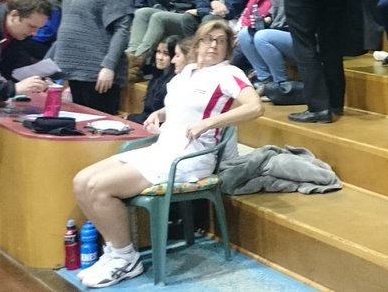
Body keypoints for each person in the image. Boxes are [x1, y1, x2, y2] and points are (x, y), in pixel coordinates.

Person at [72, 21, 262, 289]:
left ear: (228, 48)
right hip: (161, 150)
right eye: (208, 39)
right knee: (82, 181)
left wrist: (210, 123)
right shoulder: (186, 73)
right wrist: (158, 114)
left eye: (221, 41)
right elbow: (179, 106)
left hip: (189, 159)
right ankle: (114, 252)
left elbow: (255, 108)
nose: (214, 45)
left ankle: (127, 260)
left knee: (100, 188)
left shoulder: (228, 73)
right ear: (197, 44)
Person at [49, 0, 133, 115]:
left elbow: (122, 30)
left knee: (98, 131)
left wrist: (109, 66)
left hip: (98, 72)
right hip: (73, 68)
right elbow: (68, 26)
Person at [235, 0, 292, 95]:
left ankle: (281, 83)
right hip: (275, 30)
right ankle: (265, 80)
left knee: (261, 36)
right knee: (244, 35)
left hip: (293, 32)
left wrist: (266, 21)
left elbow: (283, 16)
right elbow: (250, 12)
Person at [128, 36, 182, 125]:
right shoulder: (156, 77)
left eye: (166, 54)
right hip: (146, 121)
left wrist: (131, 118)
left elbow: (159, 116)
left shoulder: (175, 81)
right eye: (158, 52)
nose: (160, 57)